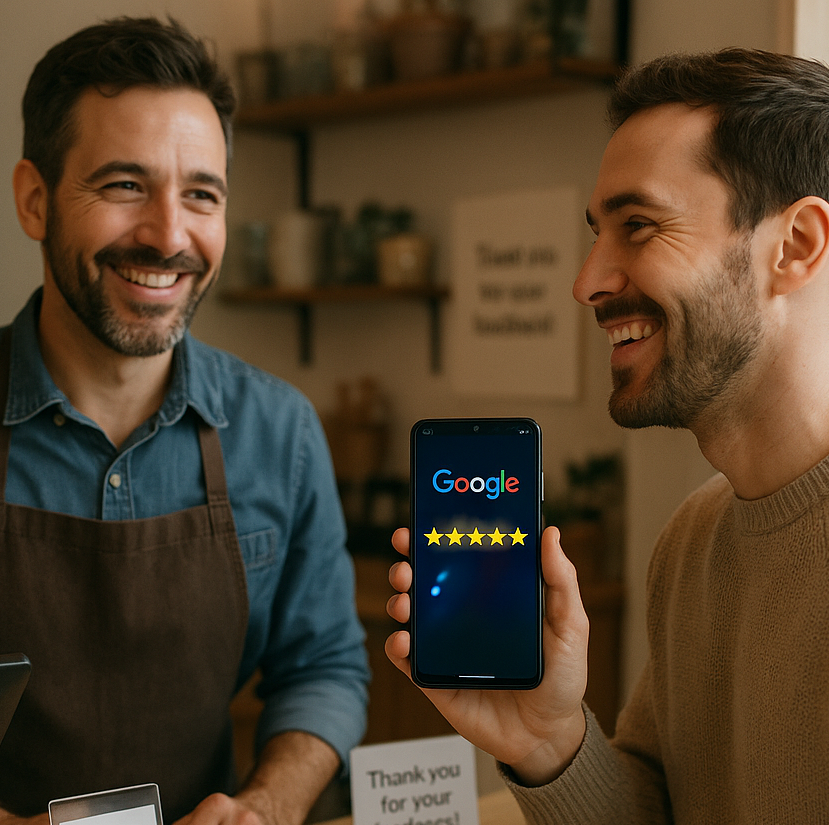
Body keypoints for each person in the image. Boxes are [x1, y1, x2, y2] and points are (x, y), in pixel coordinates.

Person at [386, 47, 829, 822]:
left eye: (638, 226)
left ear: (794, 246)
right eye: (598, 232)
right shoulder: (691, 540)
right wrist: (549, 742)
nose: (587, 280)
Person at [0, 16, 369, 825]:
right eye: (124, 185)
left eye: (200, 193)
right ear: (35, 199)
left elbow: (325, 667)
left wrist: (266, 806)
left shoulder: (282, 433)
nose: (170, 235)